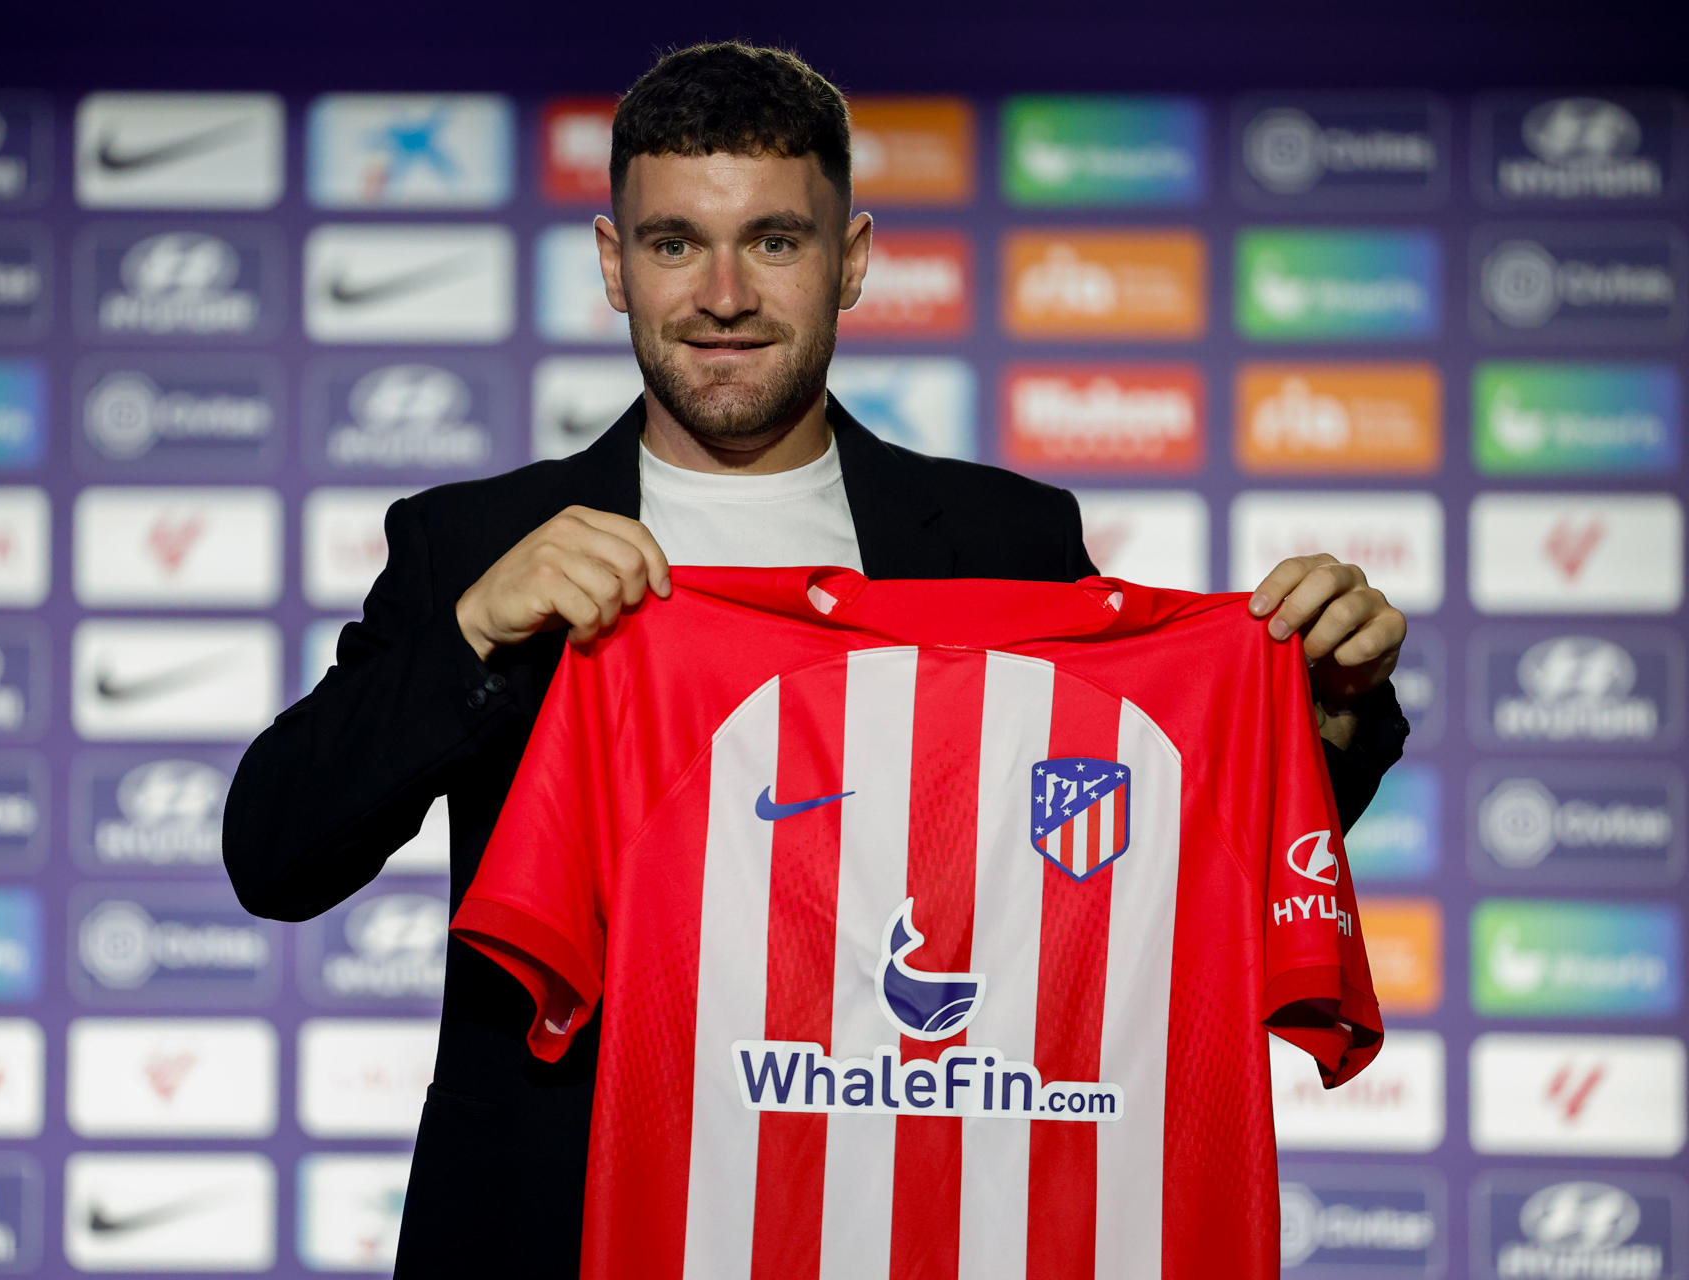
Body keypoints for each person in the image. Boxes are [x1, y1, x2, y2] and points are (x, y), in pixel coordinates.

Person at [222, 40, 1409, 1279]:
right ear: (614, 264)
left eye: (776, 242)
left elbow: (1139, 837)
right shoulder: (472, 540)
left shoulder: (1007, 539)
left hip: (908, 1213)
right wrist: (469, 632)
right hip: (563, 1222)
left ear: (850, 262)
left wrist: (1320, 709)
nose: (723, 292)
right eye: (675, 241)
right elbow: (276, 852)